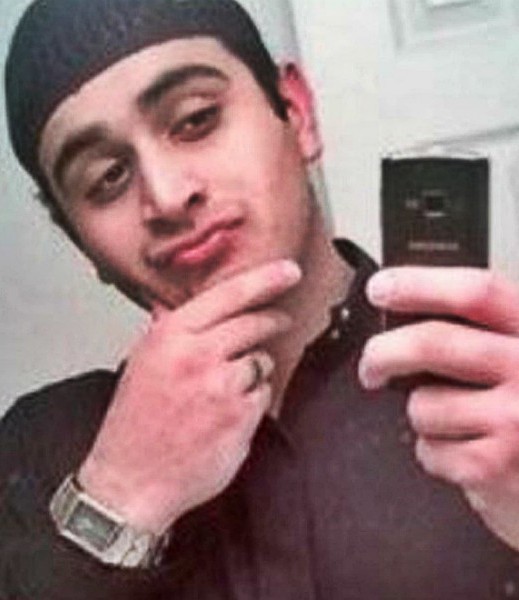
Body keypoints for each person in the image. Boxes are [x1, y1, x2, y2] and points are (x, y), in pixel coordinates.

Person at [3, 0, 519, 598]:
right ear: (78, 241)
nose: (166, 196)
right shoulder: (35, 453)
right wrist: (119, 499)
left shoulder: (497, 389)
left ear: (297, 114)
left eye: (196, 120)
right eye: (106, 178)